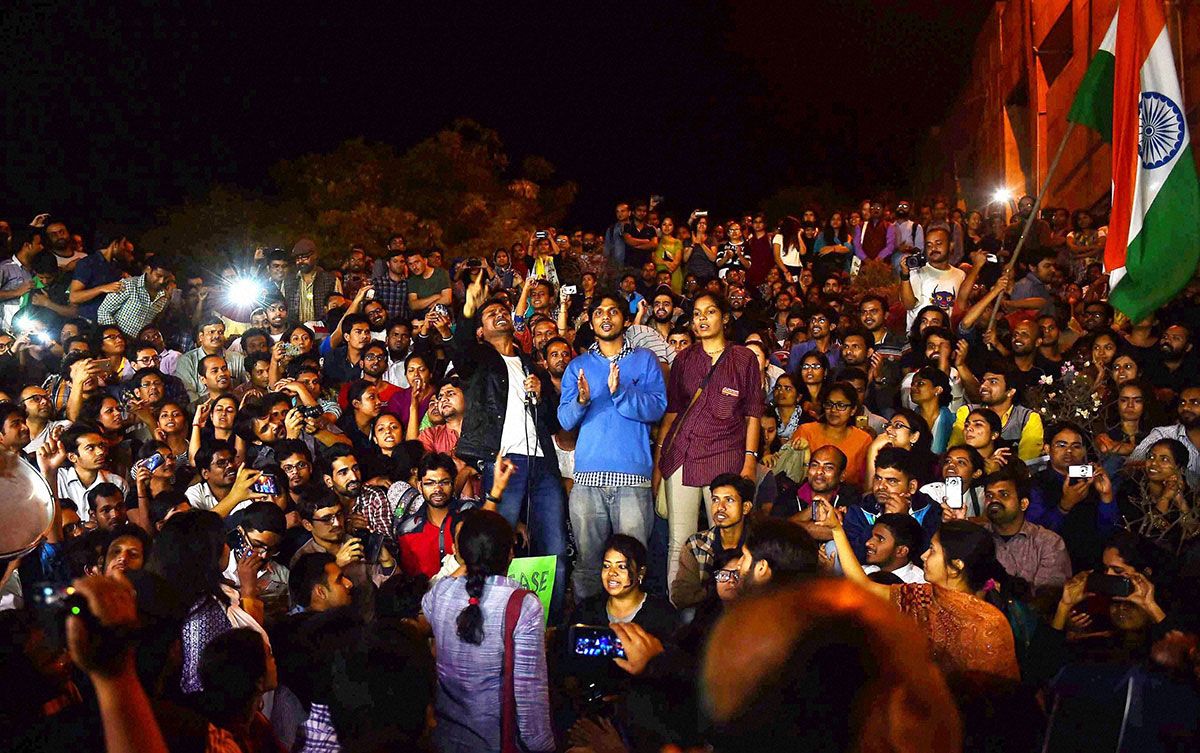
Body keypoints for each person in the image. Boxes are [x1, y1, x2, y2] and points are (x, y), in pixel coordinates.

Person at [447, 271, 568, 616]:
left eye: (504, 311)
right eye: (491, 313)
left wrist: (542, 394)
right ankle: (490, 618)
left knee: (555, 550)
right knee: (494, 548)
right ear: (481, 330)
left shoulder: (532, 364)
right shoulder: (479, 361)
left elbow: (553, 422)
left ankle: (550, 623)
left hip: (542, 464)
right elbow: (460, 347)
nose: (500, 314)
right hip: (503, 463)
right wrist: (469, 309)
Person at [558, 292, 666, 599]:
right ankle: (588, 622)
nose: (606, 317)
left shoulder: (645, 360)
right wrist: (581, 402)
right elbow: (565, 419)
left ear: (626, 319)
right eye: (599, 312)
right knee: (589, 564)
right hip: (587, 481)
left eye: (613, 311)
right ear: (591, 322)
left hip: (632, 479)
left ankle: (630, 623)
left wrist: (621, 393)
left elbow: (657, 408)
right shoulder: (578, 366)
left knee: (632, 564)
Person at [827, 508, 1020, 680]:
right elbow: (864, 585)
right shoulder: (922, 597)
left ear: (955, 567)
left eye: (932, 550)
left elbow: (997, 694)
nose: (923, 556)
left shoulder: (989, 625)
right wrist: (836, 529)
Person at [655, 291, 762, 597]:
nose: (702, 319)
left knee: (726, 537)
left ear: (724, 318)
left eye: (710, 312)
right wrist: (659, 461)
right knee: (679, 539)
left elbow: (753, 413)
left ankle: (724, 607)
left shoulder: (743, 359)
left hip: (725, 456)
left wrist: (750, 459)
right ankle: (681, 606)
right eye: (697, 314)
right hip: (684, 454)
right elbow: (673, 413)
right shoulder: (685, 359)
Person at [421, 510, 554, 753]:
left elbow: (428, 606)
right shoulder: (523, 605)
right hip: (494, 743)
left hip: (443, 740)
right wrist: (542, 746)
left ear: (460, 552)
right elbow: (528, 694)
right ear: (510, 553)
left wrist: (468, 562)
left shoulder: (440, 593)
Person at [979, 462, 1072, 594]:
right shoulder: (977, 538)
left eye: (1004, 494)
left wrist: (1005, 589)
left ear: (1023, 504)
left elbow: (1046, 598)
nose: (994, 500)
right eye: (989, 495)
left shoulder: (1048, 543)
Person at [672, 473, 754, 610]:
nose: (720, 507)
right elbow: (681, 596)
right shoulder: (697, 544)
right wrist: (718, 590)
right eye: (715, 500)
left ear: (745, 507)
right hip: (708, 612)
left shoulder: (758, 544)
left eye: (729, 500)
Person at [790, 382, 872, 487]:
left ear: (853, 410)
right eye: (829, 404)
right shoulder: (806, 431)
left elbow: (865, 481)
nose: (833, 410)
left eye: (841, 405)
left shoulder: (863, 439)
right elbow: (792, 470)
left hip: (847, 495)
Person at [900, 227, 965, 329]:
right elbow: (908, 305)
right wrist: (905, 276)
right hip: (919, 335)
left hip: (945, 335)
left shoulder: (960, 275)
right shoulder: (917, 272)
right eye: (929, 245)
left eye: (938, 243)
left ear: (951, 245)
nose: (933, 248)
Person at [95, 257, 172, 337]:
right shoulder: (129, 284)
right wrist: (118, 336)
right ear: (148, 270)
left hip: (138, 343)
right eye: (158, 276)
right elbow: (104, 311)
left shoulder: (164, 297)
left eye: (166, 278)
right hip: (118, 341)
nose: (161, 281)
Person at [862, 513, 927, 584]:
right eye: (871, 536)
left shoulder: (920, 583)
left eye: (880, 539)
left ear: (901, 551)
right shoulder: (863, 571)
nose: (868, 543)